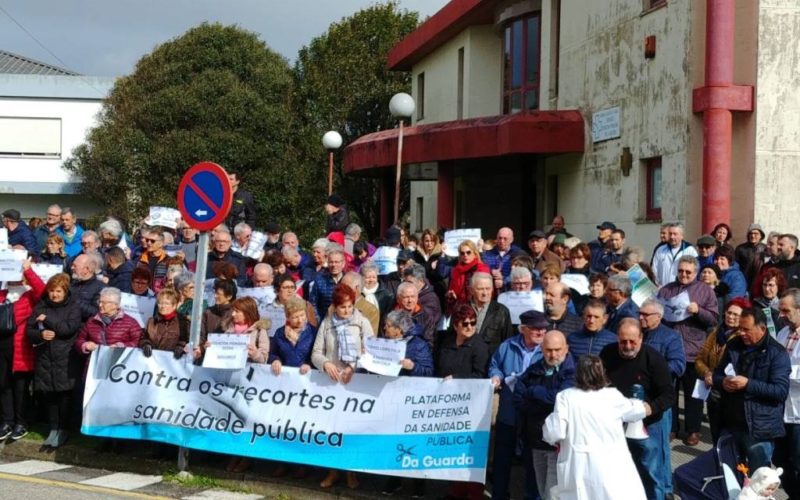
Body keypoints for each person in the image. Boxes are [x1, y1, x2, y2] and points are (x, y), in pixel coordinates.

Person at [542, 354, 647, 500]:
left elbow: (555, 432)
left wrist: (547, 428)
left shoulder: (566, 397)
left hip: (578, 466)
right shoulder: (613, 396)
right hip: (611, 465)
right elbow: (637, 410)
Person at [600, 319, 675, 500]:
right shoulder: (607, 353)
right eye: (623, 341)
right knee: (619, 471)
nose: (627, 346)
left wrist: (650, 408)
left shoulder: (654, 359)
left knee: (651, 472)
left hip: (648, 425)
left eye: (632, 341)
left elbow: (669, 395)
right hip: (617, 423)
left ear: (641, 338)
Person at [311, 284, 373, 489]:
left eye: (349, 306)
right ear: (335, 306)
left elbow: (370, 351)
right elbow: (316, 352)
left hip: (354, 383)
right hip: (331, 383)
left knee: (350, 430)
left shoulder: (361, 323)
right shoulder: (327, 324)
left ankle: (351, 473)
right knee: (332, 430)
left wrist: (353, 366)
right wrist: (326, 363)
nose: (346, 311)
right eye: (342, 307)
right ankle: (333, 471)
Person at [713, 308, 790, 471]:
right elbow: (717, 373)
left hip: (759, 429)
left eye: (746, 329)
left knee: (759, 478)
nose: (741, 333)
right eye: (739, 328)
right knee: (729, 475)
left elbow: (780, 391)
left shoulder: (777, 353)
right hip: (731, 422)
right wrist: (723, 382)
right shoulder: (734, 345)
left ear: (762, 329)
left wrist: (748, 384)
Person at [657, 255, 719, 443]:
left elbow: (714, 318)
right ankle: (672, 428)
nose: (684, 274)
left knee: (694, 395)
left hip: (694, 351)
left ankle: (693, 430)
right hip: (669, 350)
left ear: (696, 272)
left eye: (688, 272)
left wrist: (698, 310)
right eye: (681, 271)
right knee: (670, 393)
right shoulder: (667, 290)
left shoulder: (705, 290)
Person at [488, 310, 549, 500]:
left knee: (533, 461)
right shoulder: (507, 346)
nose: (541, 333)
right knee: (502, 459)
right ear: (523, 329)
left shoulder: (547, 348)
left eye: (543, 329)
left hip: (533, 415)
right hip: (508, 412)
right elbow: (494, 364)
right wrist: (496, 376)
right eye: (535, 329)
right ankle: (499, 495)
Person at [512, 329, 576, 500]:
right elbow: (518, 398)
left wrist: (534, 392)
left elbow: (561, 398)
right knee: (540, 489)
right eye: (548, 350)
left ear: (566, 348)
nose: (553, 354)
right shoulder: (534, 369)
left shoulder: (572, 372)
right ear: (542, 349)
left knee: (553, 493)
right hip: (535, 440)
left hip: (558, 445)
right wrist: (541, 404)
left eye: (557, 350)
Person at [434, 303, 489, 500]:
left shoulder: (479, 346)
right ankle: (455, 489)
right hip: (448, 404)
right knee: (452, 448)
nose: (469, 327)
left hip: (471, 406)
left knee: (469, 450)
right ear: (455, 325)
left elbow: (480, 376)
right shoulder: (446, 343)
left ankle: (473, 492)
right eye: (465, 323)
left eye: (473, 323)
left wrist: (456, 378)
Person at [379, 309, 432, 497]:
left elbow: (428, 371)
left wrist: (412, 366)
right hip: (393, 399)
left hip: (413, 401)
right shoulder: (385, 343)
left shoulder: (418, 345)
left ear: (398, 329)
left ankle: (418, 483)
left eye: (388, 325)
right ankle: (395, 479)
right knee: (395, 440)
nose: (384, 328)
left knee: (414, 442)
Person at [26, 272, 81, 449]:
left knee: (63, 395)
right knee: (50, 395)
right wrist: (40, 334)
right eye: (51, 291)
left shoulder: (73, 307)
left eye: (58, 291)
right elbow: (29, 330)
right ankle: (53, 428)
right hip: (45, 358)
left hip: (65, 358)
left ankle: (63, 429)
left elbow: (68, 329)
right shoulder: (41, 306)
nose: (54, 295)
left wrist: (48, 320)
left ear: (65, 292)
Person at [267, 296, 316, 479]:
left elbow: (317, 353)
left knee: (302, 425)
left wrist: (309, 363)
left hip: (305, 387)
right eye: (295, 316)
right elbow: (272, 353)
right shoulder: (280, 333)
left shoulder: (312, 332)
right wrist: (275, 360)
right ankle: (282, 462)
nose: (300, 320)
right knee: (283, 425)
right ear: (288, 316)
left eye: (302, 315)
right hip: (284, 387)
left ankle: (301, 464)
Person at [0, 258, 45, 441]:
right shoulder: (2, 292)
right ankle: (7, 421)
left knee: (20, 386)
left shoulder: (28, 293)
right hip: (2, 344)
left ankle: (22, 422)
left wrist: (28, 271)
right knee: (3, 384)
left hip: (20, 345)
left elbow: (43, 292)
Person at [695, 297, 751, 444]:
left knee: (729, 437)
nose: (731, 317)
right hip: (713, 392)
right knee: (715, 433)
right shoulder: (715, 333)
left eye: (736, 315)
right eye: (729, 313)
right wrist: (707, 373)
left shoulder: (744, 338)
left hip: (732, 395)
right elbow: (700, 359)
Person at [74, 287, 142, 371]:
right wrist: (85, 345)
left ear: (115, 305)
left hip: (119, 369)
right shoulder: (92, 321)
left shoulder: (131, 322)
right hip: (94, 368)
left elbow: (138, 343)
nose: (100, 305)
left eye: (104, 303)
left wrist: (120, 346)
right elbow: (79, 340)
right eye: (99, 301)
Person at [774, 288, 800, 498]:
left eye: (786, 310)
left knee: (798, 462)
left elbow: (784, 369)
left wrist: (783, 373)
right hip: (780, 411)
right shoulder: (783, 333)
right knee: (780, 461)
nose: (781, 315)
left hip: (799, 412)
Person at [469, 272, 513, 355]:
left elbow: (507, 341)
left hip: (490, 359)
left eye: (488, 288)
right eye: (480, 289)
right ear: (471, 290)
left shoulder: (502, 311)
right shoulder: (462, 309)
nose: (485, 293)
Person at [140, 288, 189, 360]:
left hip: (174, 362)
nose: (162, 306)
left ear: (174, 305)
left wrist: (181, 346)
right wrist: (146, 344)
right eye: (160, 303)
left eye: (166, 303)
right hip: (152, 361)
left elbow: (187, 340)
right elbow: (143, 337)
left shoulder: (183, 322)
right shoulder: (151, 321)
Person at [446, 240, 490, 310]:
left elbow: (488, 291)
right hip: (461, 307)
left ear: (474, 253)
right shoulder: (456, 270)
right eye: (462, 253)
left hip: (479, 307)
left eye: (468, 252)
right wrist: (451, 295)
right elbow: (453, 290)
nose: (465, 255)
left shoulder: (482, 269)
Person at [651, 222, 698, 287]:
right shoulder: (660, 250)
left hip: (683, 290)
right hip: (663, 290)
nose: (672, 237)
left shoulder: (690, 250)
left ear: (682, 236)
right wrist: (657, 285)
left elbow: (696, 271)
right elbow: (654, 270)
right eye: (670, 234)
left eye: (675, 234)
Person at [309, 245, 347, 321]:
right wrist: (319, 321)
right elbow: (313, 304)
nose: (334, 265)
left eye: (337, 262)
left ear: (343, 263)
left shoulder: (348, 280)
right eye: (331, 262)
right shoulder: (319, 281)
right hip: (325, 323)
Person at [69, 253, 106, 322]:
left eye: (75, 266)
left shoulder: (101, 288)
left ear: (86, 269)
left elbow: (97, 313)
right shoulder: (73, 283)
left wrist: (74, 300)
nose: (72, 268)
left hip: (84, 327)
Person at [753, 267, 787, 335]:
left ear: (778, 286)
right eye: (764, 285)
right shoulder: (755, 304)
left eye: (771, 285)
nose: (767, 289)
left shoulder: (784, 306)